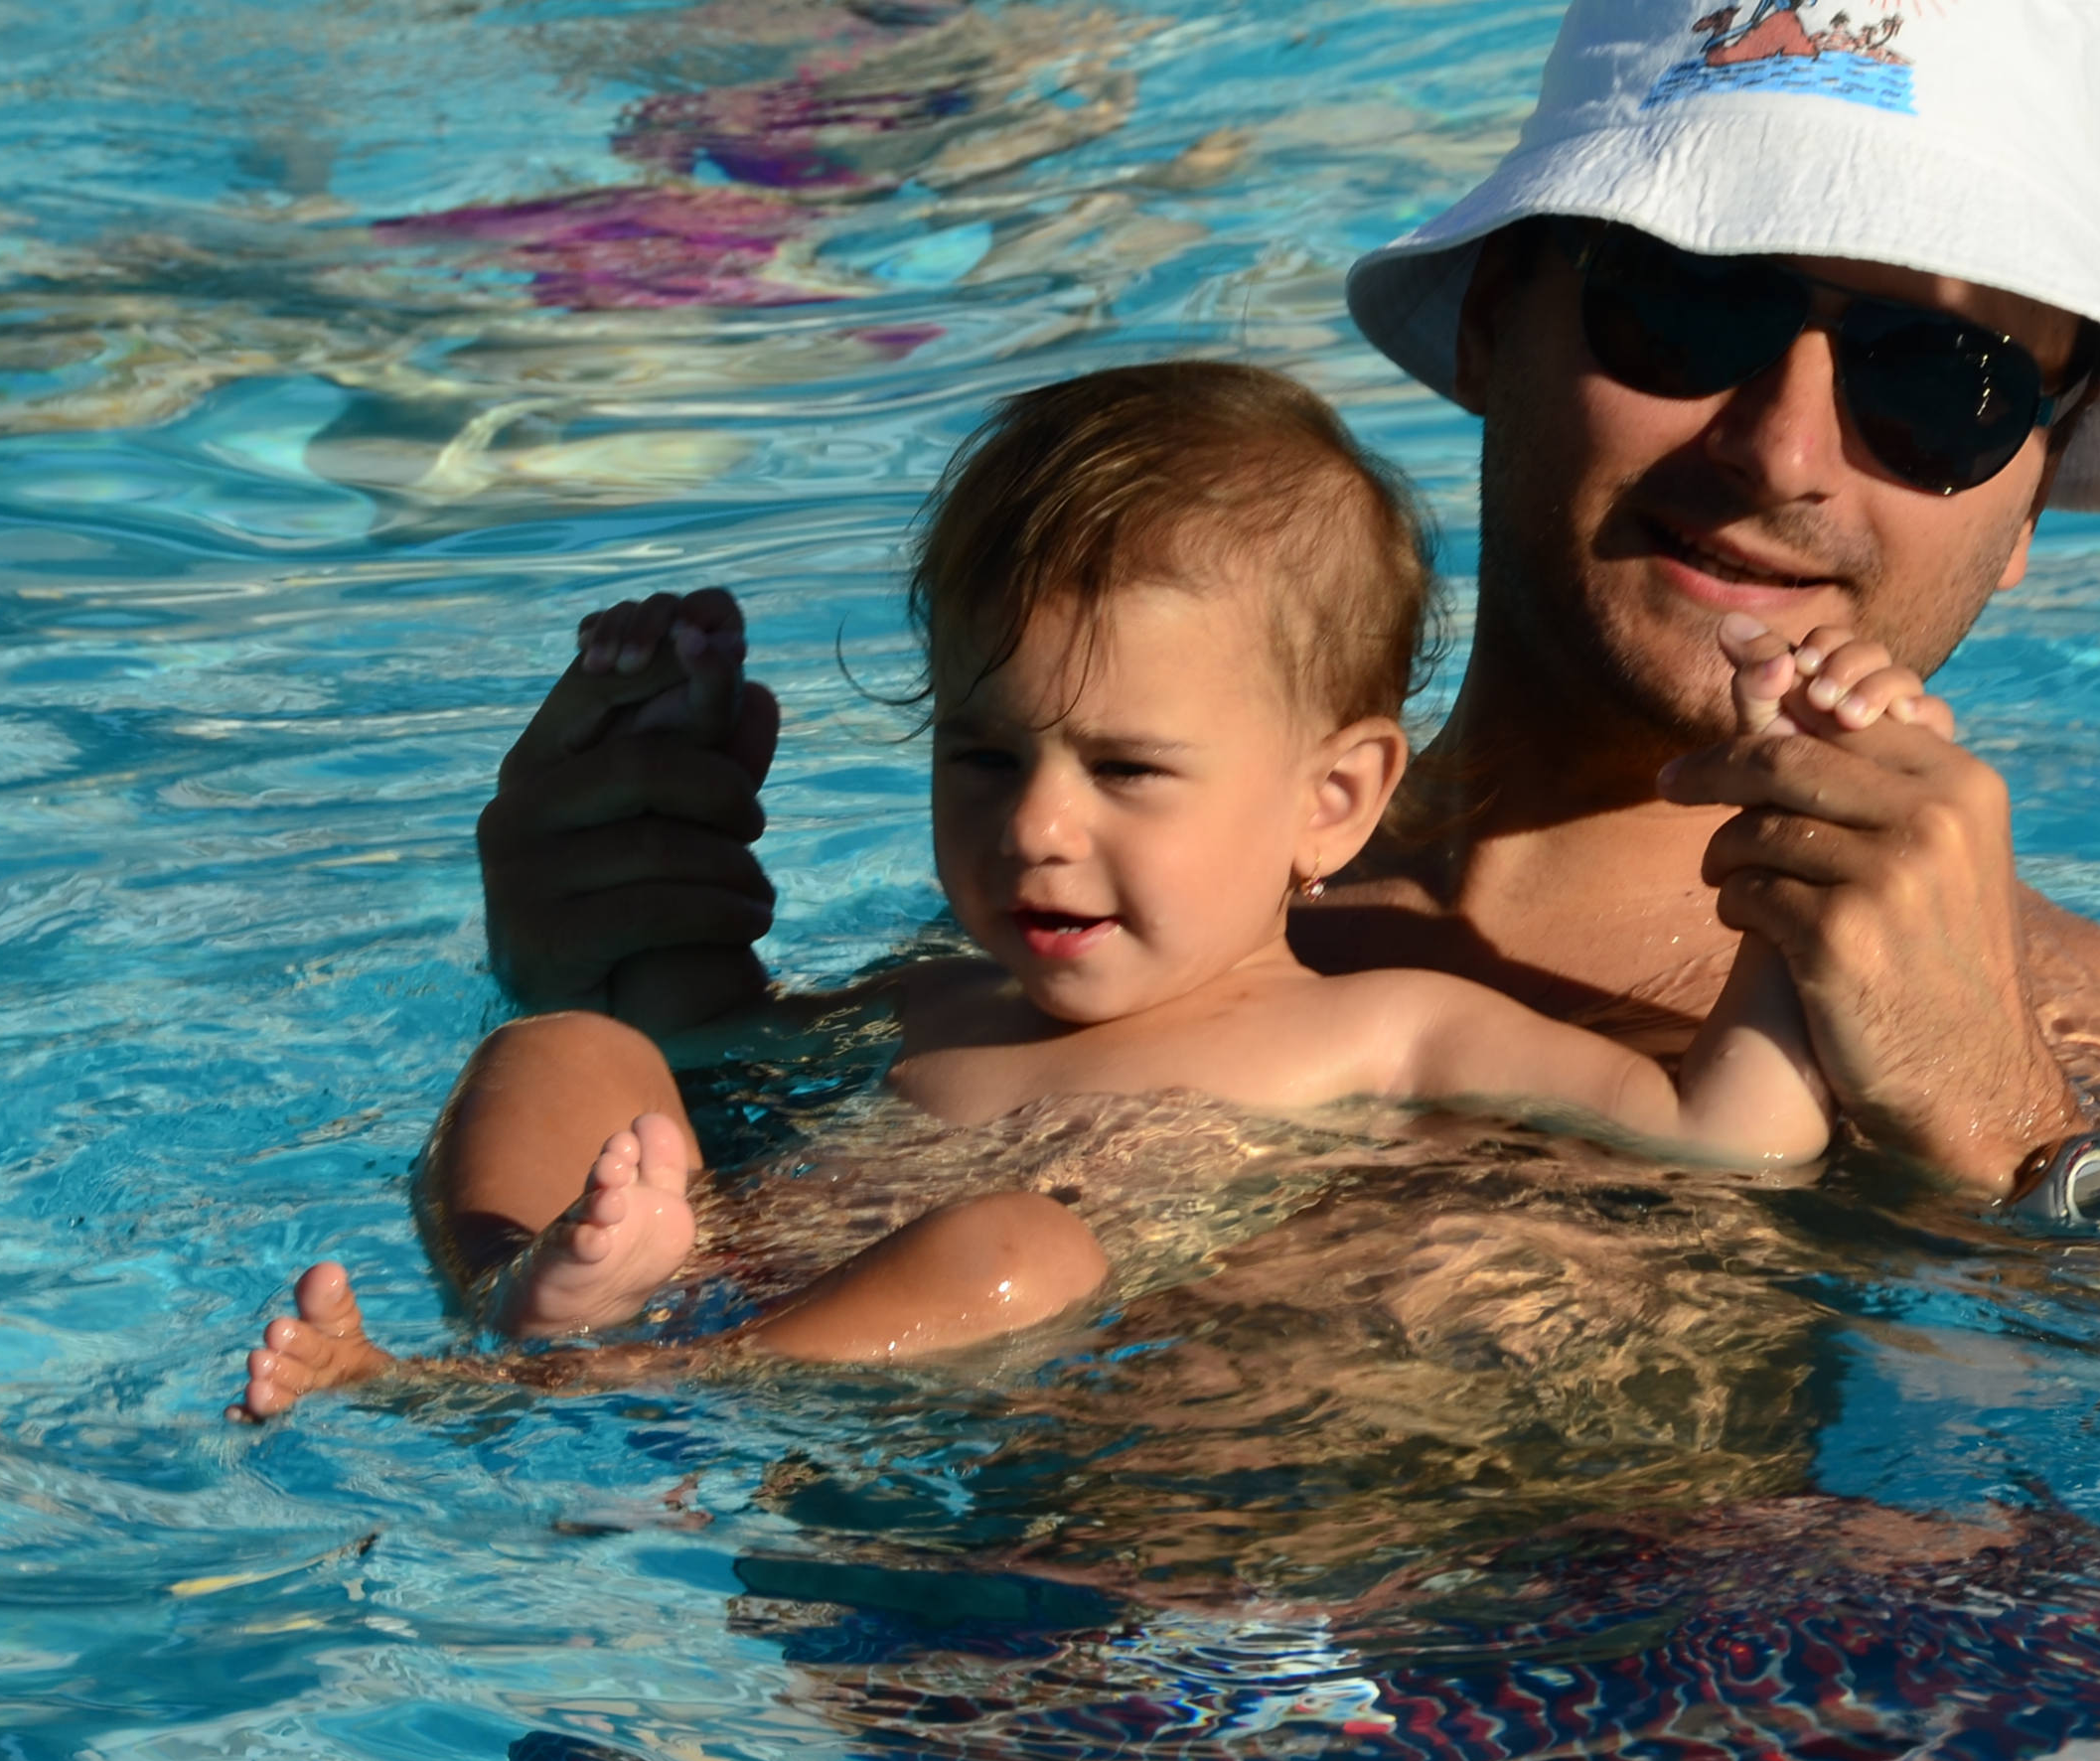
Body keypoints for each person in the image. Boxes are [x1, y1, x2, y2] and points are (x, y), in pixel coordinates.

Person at [472, 0, 2100, 1201]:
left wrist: (1992, 1129)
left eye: (1940, 383)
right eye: (1688, 308)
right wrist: (606, 988)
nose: (1783, 450)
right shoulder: (1092, 926)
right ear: (1493, 324)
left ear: (2032, 496)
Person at [236, 361, 1955, 1417]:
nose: (1037, 830)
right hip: (730, 1269)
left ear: (1335, 798)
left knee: (1018, 1248)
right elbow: (708, 1062)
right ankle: (524, 1305)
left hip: (894, 1332)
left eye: (1127, 771)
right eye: (985, 756)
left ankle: (584, 1376)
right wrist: (648, 800)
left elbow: (1731, 1140)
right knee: (567, 1046)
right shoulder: (930, 1000)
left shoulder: (1390, 1027)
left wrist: (1804, 851)